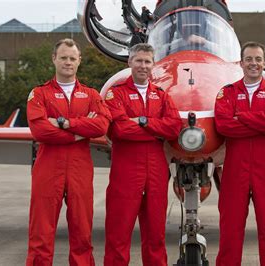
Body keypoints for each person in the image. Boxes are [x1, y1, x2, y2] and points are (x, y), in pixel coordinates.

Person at [26, 38, 111, 265]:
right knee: (41, 233)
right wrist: (81, 131)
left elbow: (102, 126)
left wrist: (64, 124)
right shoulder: (39, 93)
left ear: (79, 61)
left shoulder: (92, 95)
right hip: (48, 167)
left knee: (82, 231)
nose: (68, 62)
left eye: (72, 58)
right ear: (54, 59)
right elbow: (40, 130)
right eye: (63, 57)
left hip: (79, 167)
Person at [103, 43, 182, 266]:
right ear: (129, 62)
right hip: (126, 172)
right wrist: (155, 129)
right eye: (138, 60)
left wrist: (142, 122)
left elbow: (174, 127)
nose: (143, 66)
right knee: (118, 235)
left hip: (156, 172)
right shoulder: (115, 94)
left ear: (153, 65)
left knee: (156, 236)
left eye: (147, 61)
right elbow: (119, 130)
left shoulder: (161, 95)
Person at [214, 41, 265, 265]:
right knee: (230, 232)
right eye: (249, 59)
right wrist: (262, 118)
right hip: (235, 169)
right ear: (241, 62)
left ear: (264, 63)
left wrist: (242, 117)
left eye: (258, 59)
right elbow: (224, 126)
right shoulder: (226, 92)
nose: (253, 63)